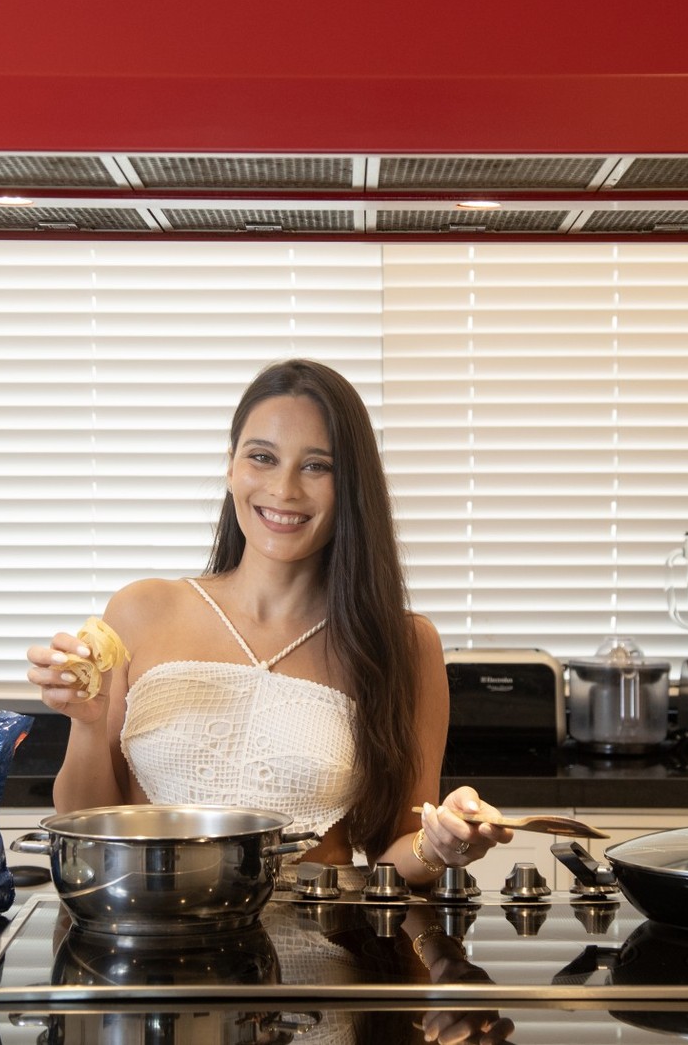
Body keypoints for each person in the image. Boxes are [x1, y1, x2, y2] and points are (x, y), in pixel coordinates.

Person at [26, 359, 512, 886]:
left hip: (320, 946)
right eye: (262, 457)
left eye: (316, 466)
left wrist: (442, 843)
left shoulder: (404, 644)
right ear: (231, 466)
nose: (284, 490)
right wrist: (89, 723)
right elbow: (87, 829)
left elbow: (395, 855)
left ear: (350, 484)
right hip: (154, 940)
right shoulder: (139, 611)